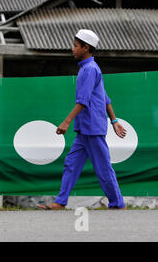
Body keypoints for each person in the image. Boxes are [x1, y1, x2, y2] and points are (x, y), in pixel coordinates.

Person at [37, 30, 127, 210]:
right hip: (85, 129)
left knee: (103, 169)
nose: (73, 49)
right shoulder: (91, 69)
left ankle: (118, 203)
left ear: (86, 48)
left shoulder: (89, 70)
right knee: (71, 164)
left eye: (76, 46)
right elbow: (106, 99)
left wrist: (66, 121)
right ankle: (61, 201)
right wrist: (114, 120)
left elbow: (83, 101)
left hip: (92, 129)